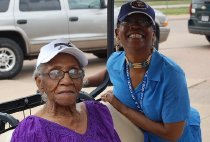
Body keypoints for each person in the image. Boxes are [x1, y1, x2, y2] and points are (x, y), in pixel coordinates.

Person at [84, 0, 202, 142]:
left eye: (143, 22)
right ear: (117, 33)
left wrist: (121, 107)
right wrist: (82, 81)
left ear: (153, 34)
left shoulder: (172, 75)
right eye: (127, 21)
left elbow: (171, 134)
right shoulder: (115, 61)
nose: (135, 26)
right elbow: (108, 73)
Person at [11, 38, 121, 142]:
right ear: (40, 83)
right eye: (55, 73)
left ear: (81, 78)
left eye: (74, 72)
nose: (67, 81)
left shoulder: (97, 112)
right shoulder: (30, 132)